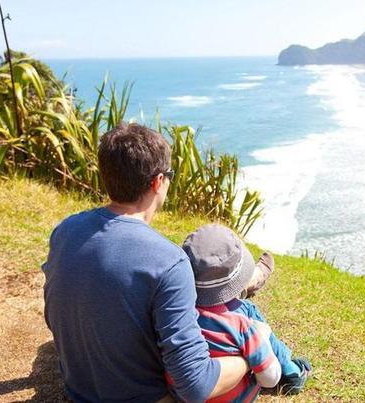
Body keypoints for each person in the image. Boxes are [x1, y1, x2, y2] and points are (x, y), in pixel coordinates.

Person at [42, 123, 256, 403]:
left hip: (78, 390)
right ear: (158, 182)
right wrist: (250, 356)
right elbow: (195, 386)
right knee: (245, 324)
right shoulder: (169, 261)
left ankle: (247, 288)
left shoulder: (66, 230)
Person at [178, 224, 312, 402]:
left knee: (241, 306)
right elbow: (270, 379)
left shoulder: (174, 317)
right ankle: (292, 371)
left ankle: (247, 285)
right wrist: (261, 341)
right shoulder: (241, 325)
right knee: (247, 309)